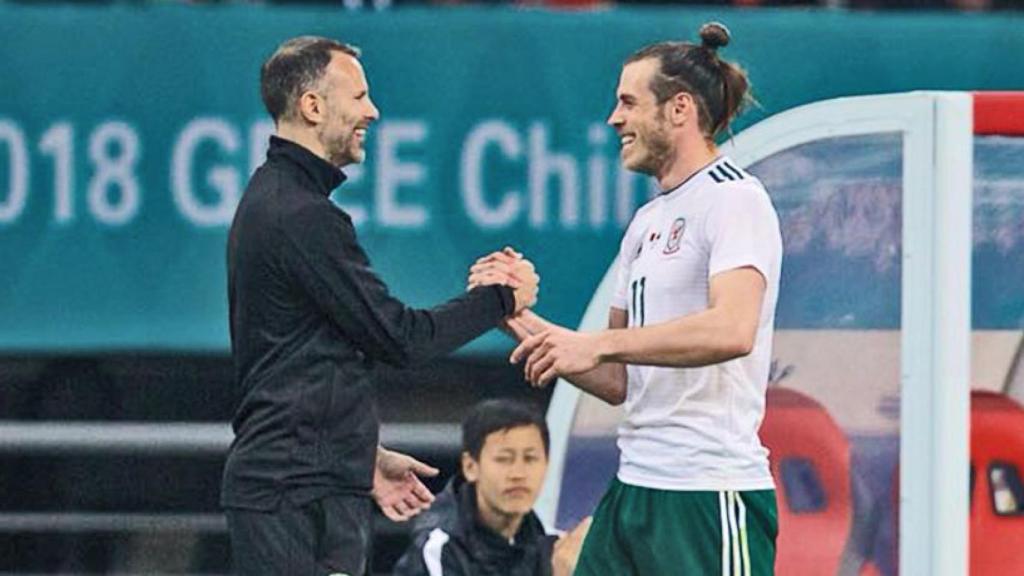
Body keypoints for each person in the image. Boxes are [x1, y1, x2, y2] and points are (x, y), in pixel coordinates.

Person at [222, 36, 539, 576]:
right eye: (360, 96)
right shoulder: (300, 217)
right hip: (295, 497)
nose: (373, 111)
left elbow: (301, 363)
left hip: (305, 485)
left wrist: (357, 455)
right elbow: (400, 338)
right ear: (313, 106)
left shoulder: (282, 202)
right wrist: (502, 298)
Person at [505, 22, 783, 576]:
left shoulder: (736, 200)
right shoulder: (645, 221)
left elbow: (732, 329)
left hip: (708, 493)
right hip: (636, 485)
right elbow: (616, 378)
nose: (614, 119)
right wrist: (511, 317)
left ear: (679, 109)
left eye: (628, 102)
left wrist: (601, 344)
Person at [392, 399, 591, 576]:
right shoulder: (439, 548)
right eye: (504, 459)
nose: (518, 474)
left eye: (530, 459)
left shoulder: (551, 544)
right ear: (470, 467)